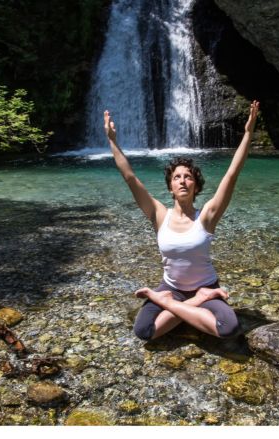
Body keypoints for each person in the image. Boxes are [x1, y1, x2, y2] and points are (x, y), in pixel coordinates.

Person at [103, 101, 260, 341]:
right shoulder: (159, 215)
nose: (183, 181)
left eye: (188, 177)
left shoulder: (207, 216)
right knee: (144, 331)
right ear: (171, 187)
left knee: (228, 328)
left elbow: (231, 174)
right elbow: (130, 177)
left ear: (196, 186)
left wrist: (248, 133)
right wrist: (112, 141)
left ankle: (181, 300)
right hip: (172, 288)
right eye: (177, 177)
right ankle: (192, 303)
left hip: (205, 285)